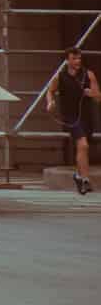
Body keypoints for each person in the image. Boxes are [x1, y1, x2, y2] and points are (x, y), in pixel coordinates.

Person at [47, 46, 101, 195]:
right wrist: (50, 102)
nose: (77, 61)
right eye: (74, 58)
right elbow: (50, 91)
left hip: (86, 116)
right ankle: (85, 180)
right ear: (67, 60)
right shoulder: (60, 76)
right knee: (83, 145)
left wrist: (93, 94)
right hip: (71, 117)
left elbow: (99, 98)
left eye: (79, 58)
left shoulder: (89, 75)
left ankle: (78, 175)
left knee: (83, 147)